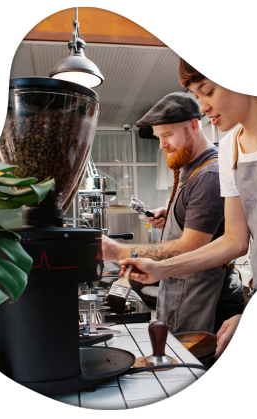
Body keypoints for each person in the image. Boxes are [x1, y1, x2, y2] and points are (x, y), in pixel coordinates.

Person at [118, 59, 257, 359]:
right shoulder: (229, 149)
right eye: (197, 96)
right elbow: (234, 242)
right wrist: (161, 269)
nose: (203, 106)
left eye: (208, 91)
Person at [102, 92, 245, 338]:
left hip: (207, 302)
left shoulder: (209, 174)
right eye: (159, 137)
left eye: (168, 135)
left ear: (194, 125)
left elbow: (191, 246)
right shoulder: (194, 168)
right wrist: (172, 215)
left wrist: (119, 252)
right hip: (185, 296)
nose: (162, 144)